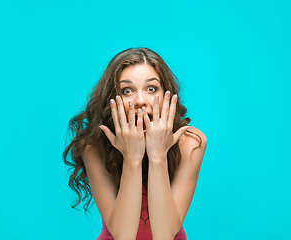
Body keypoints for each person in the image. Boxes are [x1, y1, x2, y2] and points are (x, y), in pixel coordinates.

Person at [63, 47, 207, 240]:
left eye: (151, 89)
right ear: (112, 100)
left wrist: (157, 155)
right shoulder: (94, 146)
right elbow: (122, 236)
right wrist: (132, 158)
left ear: (167, 95)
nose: (140, 100)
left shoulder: (190, 143)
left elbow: (165, 235)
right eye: (127, 91)